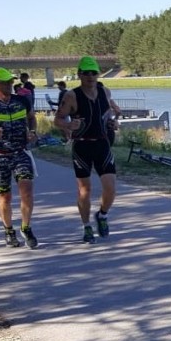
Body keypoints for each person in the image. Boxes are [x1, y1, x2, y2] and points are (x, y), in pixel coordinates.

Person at [53, 56, 118, 244]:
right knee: (85, 191)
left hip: (102, 144)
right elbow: (58, 120)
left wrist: (112, 123)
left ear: (98, 74)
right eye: (86, 73)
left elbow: (108, 114)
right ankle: (86, 226)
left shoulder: (105, 91)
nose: (90, 76)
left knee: (111, 189)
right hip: (82, 145)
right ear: (79, 74)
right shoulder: (71, 96)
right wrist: (68, 126)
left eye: (94, 73)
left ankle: (102, 215)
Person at [0, 67, 39, 248]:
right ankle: (9, 230)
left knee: (27, 191)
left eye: (11, 81)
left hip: (21, 153)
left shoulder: (22, 100)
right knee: (5, 197)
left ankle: (26, 227)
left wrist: (32, 131)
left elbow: (32, 118)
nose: (10, 85)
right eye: (5, 82)